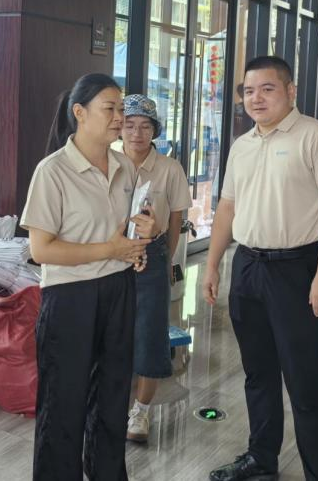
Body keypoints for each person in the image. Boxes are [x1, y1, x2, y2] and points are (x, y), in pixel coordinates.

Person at [203, 56, 318, 481]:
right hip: (247, 265)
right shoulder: (243, 144)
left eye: (267, 89)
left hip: (296, 269)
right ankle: (261, 457)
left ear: (290, 91)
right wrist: (212, 265)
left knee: (304, 380)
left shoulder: (317, 137)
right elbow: (227, 207)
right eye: (249, 91)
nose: (256, 98)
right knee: (258, 372)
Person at [21, 74, 158, 480]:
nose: (120, 118)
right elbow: (41, 250)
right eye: (110, 109)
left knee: (113, 398)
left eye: (121, 108)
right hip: (70, 296)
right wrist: (110, 250)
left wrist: (141, 239)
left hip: (119, 289)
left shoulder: (125, 167)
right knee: (63, 403)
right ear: (79, 113)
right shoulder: (53, 171)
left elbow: (127, 232)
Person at [119, 94, 192, 443]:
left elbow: (176, 221)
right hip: (111, 256)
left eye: (145, 126)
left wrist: (164, 258)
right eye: (130, 125)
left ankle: (141, 412)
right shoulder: (108, 163)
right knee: (112, 332)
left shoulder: (170, 168)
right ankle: (110, 402)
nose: (137, 133)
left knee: (150, 334)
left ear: (155, 131)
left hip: (153, 256)